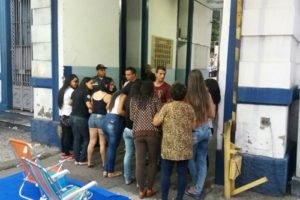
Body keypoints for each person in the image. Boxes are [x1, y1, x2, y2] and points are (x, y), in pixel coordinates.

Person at [153, 82, 196, 200]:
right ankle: (179, 198)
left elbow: (156, 122)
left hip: (169, 147)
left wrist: (156, 114)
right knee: (182, 174)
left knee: (166, 174)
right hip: (184, 147)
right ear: (184, 94)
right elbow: (193, 126)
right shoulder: (189, 108)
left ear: (171, 94)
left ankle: (164, 198)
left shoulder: (167, 107)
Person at [185, 70, 216, 199]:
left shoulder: (187, 97)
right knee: (202, 159)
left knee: (189, 159)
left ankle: (197, 186)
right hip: (206, 130)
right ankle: (198, 189)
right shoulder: (207, 95)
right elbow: (212, 114)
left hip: (194, 131)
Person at [130, 81, 162, 199]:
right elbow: (160, 115)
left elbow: (132, 117)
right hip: (152, 133)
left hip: (138, 133)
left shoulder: (134, 99)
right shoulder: (155, 98)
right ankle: (149, 189)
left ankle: (141, 191)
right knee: (153, 162)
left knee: (140, 162)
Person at [87, 79, 114, 168]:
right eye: (109, 84)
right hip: (101, 118)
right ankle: (104, 164)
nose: (110, 86)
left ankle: (89, 162)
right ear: (105, 85)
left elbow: (92, 106)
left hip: (92, 118)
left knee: (92, 141)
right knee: (102, 143)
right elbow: (109, 108)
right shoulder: (108, 96)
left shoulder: (93, 94)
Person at [121, 69, 141, 185]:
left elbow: (122, 93)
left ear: (134, 74)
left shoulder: (128, 92)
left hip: (127, 128)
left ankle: (127, 178)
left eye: (129, 74)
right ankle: (139, 181)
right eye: (126, 74)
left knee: (128, 154)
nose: (127, 76)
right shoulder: (138, 98)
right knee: (139, 156)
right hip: (135, 129)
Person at [101, 90, 126, 178]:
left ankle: (105, 170)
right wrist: (127, 114)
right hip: (115, 120)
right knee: (112, 147)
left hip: (106, 119)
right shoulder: (123, 96)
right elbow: (119, 111)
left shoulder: (114, 95)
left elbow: (107, 107)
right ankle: (110, 172)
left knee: (110, 147)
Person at [70, 77, 94, 165]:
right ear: (86, 83)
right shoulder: (86, 92)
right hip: (81, 118)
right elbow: (89, 106)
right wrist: (95, 107)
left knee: (76, 138)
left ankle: (76, 159)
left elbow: (70, 103)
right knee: (86, 138)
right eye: (91, 83)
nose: (92, 85)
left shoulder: (75, 91)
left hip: (72, 117)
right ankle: (82, 159)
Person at [57, 74, 79, 160]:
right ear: (70, 81)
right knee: (68, 135)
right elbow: (72, 103)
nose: (76, 83)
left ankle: (64, 152)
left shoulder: (62, 90)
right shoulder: (71, 91)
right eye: (75, 81)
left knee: (65, 135)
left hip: (62, 114)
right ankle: (67, 153)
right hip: (69, 115)